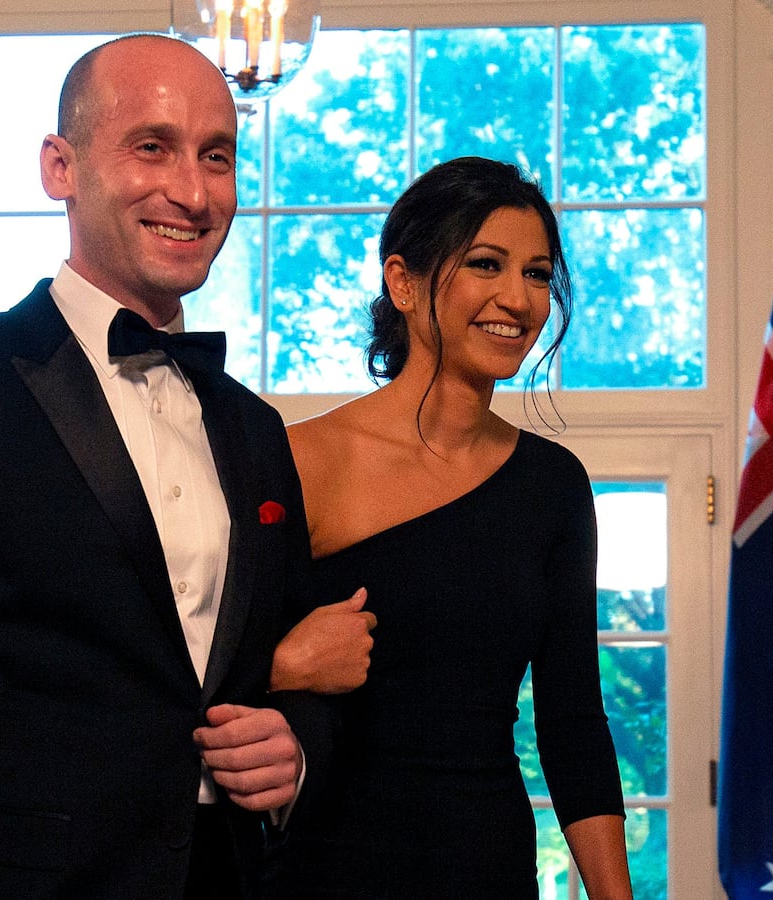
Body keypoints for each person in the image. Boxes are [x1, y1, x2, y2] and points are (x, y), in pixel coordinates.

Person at [0, 33, 361, 898]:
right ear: (59, 167)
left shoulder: (253, 431)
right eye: (152, 146)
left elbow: (282, 672)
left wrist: (296, 743)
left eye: (218, 157)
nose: (192, 190)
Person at [267, 157, 635, 899]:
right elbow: (198, 671)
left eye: (537, 274)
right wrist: (276, 667)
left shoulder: (553, 487)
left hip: (486, 865)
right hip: (321, 868)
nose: (518, 298)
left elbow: (572, 723)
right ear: (402, 282)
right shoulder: (300, 460)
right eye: (486, 264)